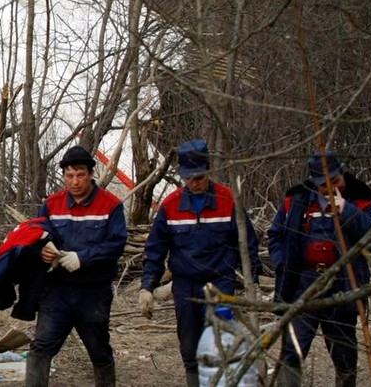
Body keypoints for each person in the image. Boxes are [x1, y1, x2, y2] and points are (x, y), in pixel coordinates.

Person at [139, 139, 262, 387]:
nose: (194, 183)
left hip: (220, 282)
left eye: (199, 176)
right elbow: (155, 248)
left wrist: (252, 282)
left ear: (208, 169)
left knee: (220, 341)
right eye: (189, 178)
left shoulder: (228, 200)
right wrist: (147, 286)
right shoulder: (171, 205)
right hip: (185, 285)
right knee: (189, 344)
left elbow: (246, 242)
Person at [267, 151, 371, 387]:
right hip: (304, 283)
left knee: (344, 354)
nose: (330, 188)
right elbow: (276, 235)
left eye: (335, 181)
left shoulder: (361, 198)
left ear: (342, 174)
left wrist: (348, 212)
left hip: (343, 284)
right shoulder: (296, 200)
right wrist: (282, 264)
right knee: (292, 350)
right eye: (323, 185)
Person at [25, 145, 128, 387]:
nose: (75, 181)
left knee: (99, 349)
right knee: (41, 347)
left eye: (80, 175)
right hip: (56, 291)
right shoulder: (52, 204)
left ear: (91, 174)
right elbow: (38, 235)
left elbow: (116, 244)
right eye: (69, 176)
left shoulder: (110, 205)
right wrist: (44, 251)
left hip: (93, 291)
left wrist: (83, 258)